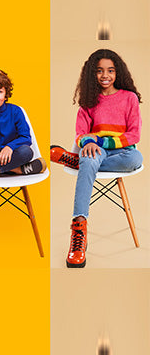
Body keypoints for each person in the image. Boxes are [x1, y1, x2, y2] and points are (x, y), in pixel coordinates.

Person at [51, 49, 142, 268]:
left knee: (136, 159)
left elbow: (133, 135)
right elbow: (81, 134)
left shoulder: (129, 98)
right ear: (92, 74)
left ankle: (75, 160)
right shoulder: (88, 102)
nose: (105, 75)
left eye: (110, 70)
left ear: (117, 72)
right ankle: (79, 231)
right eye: (100, 71)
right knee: (90, 160)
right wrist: (90, 143)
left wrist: (101, 142)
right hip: (95, 152)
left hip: (122, 151)